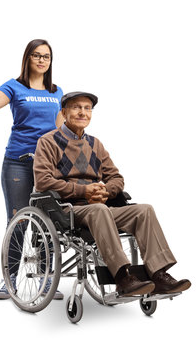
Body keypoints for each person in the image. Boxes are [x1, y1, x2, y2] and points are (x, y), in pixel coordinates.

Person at [33, 91, 191, 296]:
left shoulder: (95, 144)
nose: (83, 112)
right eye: (76, 107)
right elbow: (43, 182)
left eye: (87, 108)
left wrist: (106, 191)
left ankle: (159, 274)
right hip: (67, 210)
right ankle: (123, 278)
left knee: (144, 210)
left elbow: (117, 177)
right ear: (63, 112)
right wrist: (84, 190)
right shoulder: (47, 142)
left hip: (100, 208)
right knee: (99, 210)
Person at [0, 39, 64, 300]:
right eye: (37, 55)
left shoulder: (56, 92)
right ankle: (9, 278)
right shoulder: (15, 86)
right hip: (18, 163)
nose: (42, 60)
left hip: (48, 165)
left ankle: (47, 281)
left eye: (46, 56)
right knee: (19, 221)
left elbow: (60, 130)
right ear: (28, 58)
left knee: (49, 224)